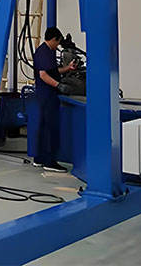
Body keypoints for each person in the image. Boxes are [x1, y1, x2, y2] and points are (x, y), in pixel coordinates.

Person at [32, 26, 78, 172]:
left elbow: (53, 70)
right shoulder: (43, 52)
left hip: (47, 95)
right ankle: (49, 161)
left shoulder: (48, 51)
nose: (58, 45)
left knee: (44, 127)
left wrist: (68, 68)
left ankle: (39, 158)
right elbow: (43, 75)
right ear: (53, 39)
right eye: (58, 42)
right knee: (50, 128)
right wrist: (59, 85)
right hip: (47, 95)